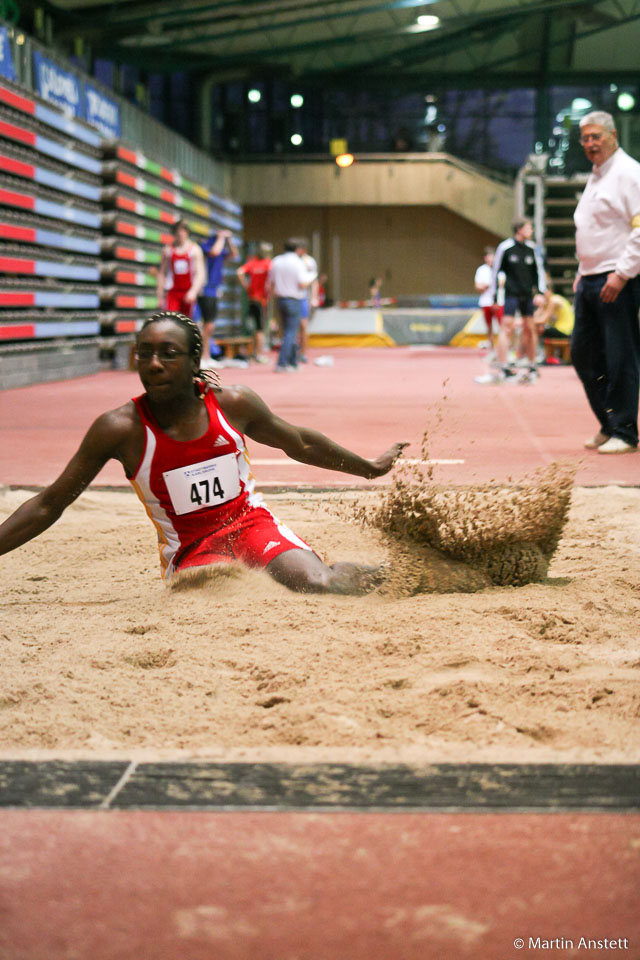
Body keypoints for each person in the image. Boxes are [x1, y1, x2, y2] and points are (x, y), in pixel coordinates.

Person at [0, 313, 407, 594]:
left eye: (168, 354)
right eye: (145, 353)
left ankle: (407, 577)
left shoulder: (233, 404)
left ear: (195, 360)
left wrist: (369, 468)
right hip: (194, 551)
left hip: (250, 526)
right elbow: (49, 503)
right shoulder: (119, 429)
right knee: (223, 601)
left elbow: (299, 442)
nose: (154, 364)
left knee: (319, 584)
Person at [573, 110, 640, 455]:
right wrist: (580, 272)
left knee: (619, 358)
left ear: (614, 135)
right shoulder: (597, 176)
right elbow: (592, 229)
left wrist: (622, 273)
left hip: (616, 279)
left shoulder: (629, 174)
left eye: (596, 136)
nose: (590, 143)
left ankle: (626, 431)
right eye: (585, 138)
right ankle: (608, 422)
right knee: (583, 355)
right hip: (588, 278)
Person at [477, 219, 546, 384]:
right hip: (511, 295)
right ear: (519, 230)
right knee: (506, 327)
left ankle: (531, 365)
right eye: (528, 227)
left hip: (528, 295)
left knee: (530, 328)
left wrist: (540, 292)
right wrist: (494, 296)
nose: (531, 230)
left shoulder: (532, 249)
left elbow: (539, 271)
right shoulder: (505, 248)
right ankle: (504, 366)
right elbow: (495, 273)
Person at [267, 238, 316, 372]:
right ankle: (282, 363)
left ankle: (293, 362)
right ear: (298, 249)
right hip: (294, 299)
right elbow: (302, 283)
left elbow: (271, 283)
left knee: (287, 332)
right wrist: (312, 277)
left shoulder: (276, 260)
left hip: (280, 299)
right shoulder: (298, 262)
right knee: (291, 332)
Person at [198, 228, 240, 367]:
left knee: (210, 325)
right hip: (204, 289)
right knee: (205, 325)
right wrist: (221, 237)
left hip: (214, 290)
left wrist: (229, 239)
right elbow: (214, 252)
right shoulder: (205, 247)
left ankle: (207, 356)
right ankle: (203, 356)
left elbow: (234, 254)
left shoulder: (221, 249)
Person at [156, 220, 205, 319]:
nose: (181, 235)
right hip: (173, 292)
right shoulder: (168, 250)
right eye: (178, 233)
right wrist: (160, 296)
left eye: (183, 232)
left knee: (187, 322)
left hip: (188, 292)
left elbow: (200, 273)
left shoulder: (195, 250)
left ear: (187, 232)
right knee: (170, 320)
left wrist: (194, 291)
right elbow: (162, 274)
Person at [236, 242, 273, 364]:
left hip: (251, 299)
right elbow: (272, 279)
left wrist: (246, 286)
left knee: (252, 327)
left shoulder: (252, 263)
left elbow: (240, 272)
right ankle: (258, 354)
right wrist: (270, 292)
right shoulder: (268, 264)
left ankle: (252, 352)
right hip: (261, 300)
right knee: (260, 329)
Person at [474, 247, 502, 351]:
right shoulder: (481, 270)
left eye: (492, 256)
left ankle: (501, 347)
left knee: (502, 325)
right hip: (486, 302)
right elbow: (478, 286)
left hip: (498, 302)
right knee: (489, 326)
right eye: (488, 256)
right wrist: (488, 285)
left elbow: (502, 284)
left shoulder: (500, 269)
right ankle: (491, 346)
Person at [296, 239, 318, 364]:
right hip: (291, 296)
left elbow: (314, 280)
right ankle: (293, 351)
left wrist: (314, 297)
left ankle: (303, 352)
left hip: (304, 298)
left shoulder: (309, 262)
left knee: (303, 326)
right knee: (292, 327)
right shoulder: (292, 261)